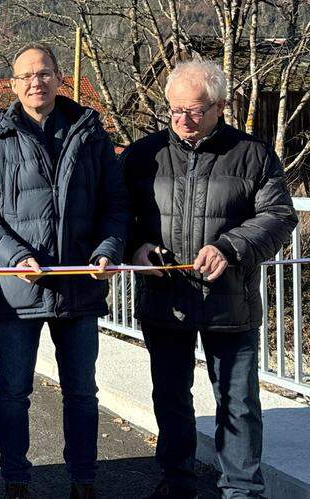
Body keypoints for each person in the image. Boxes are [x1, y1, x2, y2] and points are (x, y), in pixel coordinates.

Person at [120, 59, 296, 499]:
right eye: (175, 111)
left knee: (237, 404)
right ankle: (177, 482)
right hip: (166, 299)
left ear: (220, 105)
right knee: (171, 398)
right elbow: (118, 216)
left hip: (229, 301)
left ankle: (242, 491)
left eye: (195, 110)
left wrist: (230, 246)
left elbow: (279, 216)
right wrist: (136, 248)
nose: (183, 121)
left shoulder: (253, 153)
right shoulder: (144, 155)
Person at [0, 44, 129, 499]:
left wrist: (108, 250)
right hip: (20, 291)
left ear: (60, 79)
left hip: (80, 285)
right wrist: (14, 257)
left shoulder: (91, 133)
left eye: (45, 73)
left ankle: (83, 479)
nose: (36, 82)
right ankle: (15, 479)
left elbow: (115, 205)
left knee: (82, 392)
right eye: (27, 75)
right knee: (14, 391)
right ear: (13, 84)